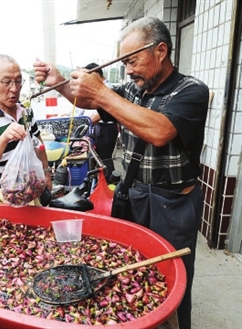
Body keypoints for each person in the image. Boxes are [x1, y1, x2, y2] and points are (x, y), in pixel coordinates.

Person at [33, 17, 209, 329]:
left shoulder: (192, 91)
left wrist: (101, 93)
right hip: (135, 195)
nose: (128, 70)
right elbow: (87, 98)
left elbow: (160, 131)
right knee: (131, 271)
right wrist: (60, 81)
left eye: (133, 61)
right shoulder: (131, 89)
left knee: (173, 278)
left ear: (161, 51)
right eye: (124, 62)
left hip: (173, 204)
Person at [0, 54, 52, 204]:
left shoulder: (25, 109)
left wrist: (46, 173)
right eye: (7, 82)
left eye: (19, 81)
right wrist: (4, 138)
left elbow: (38, 143)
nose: (14, 89)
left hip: (29, 190)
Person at [82, 63, 119, 181]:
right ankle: (104, 182)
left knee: (105, 158)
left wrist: (84, 124)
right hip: (101, 128)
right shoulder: (100, 88)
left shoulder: (108, 88)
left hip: (106, 129)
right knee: (100, 157)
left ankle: (110, 183)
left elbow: (100, 113)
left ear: (96, 74)